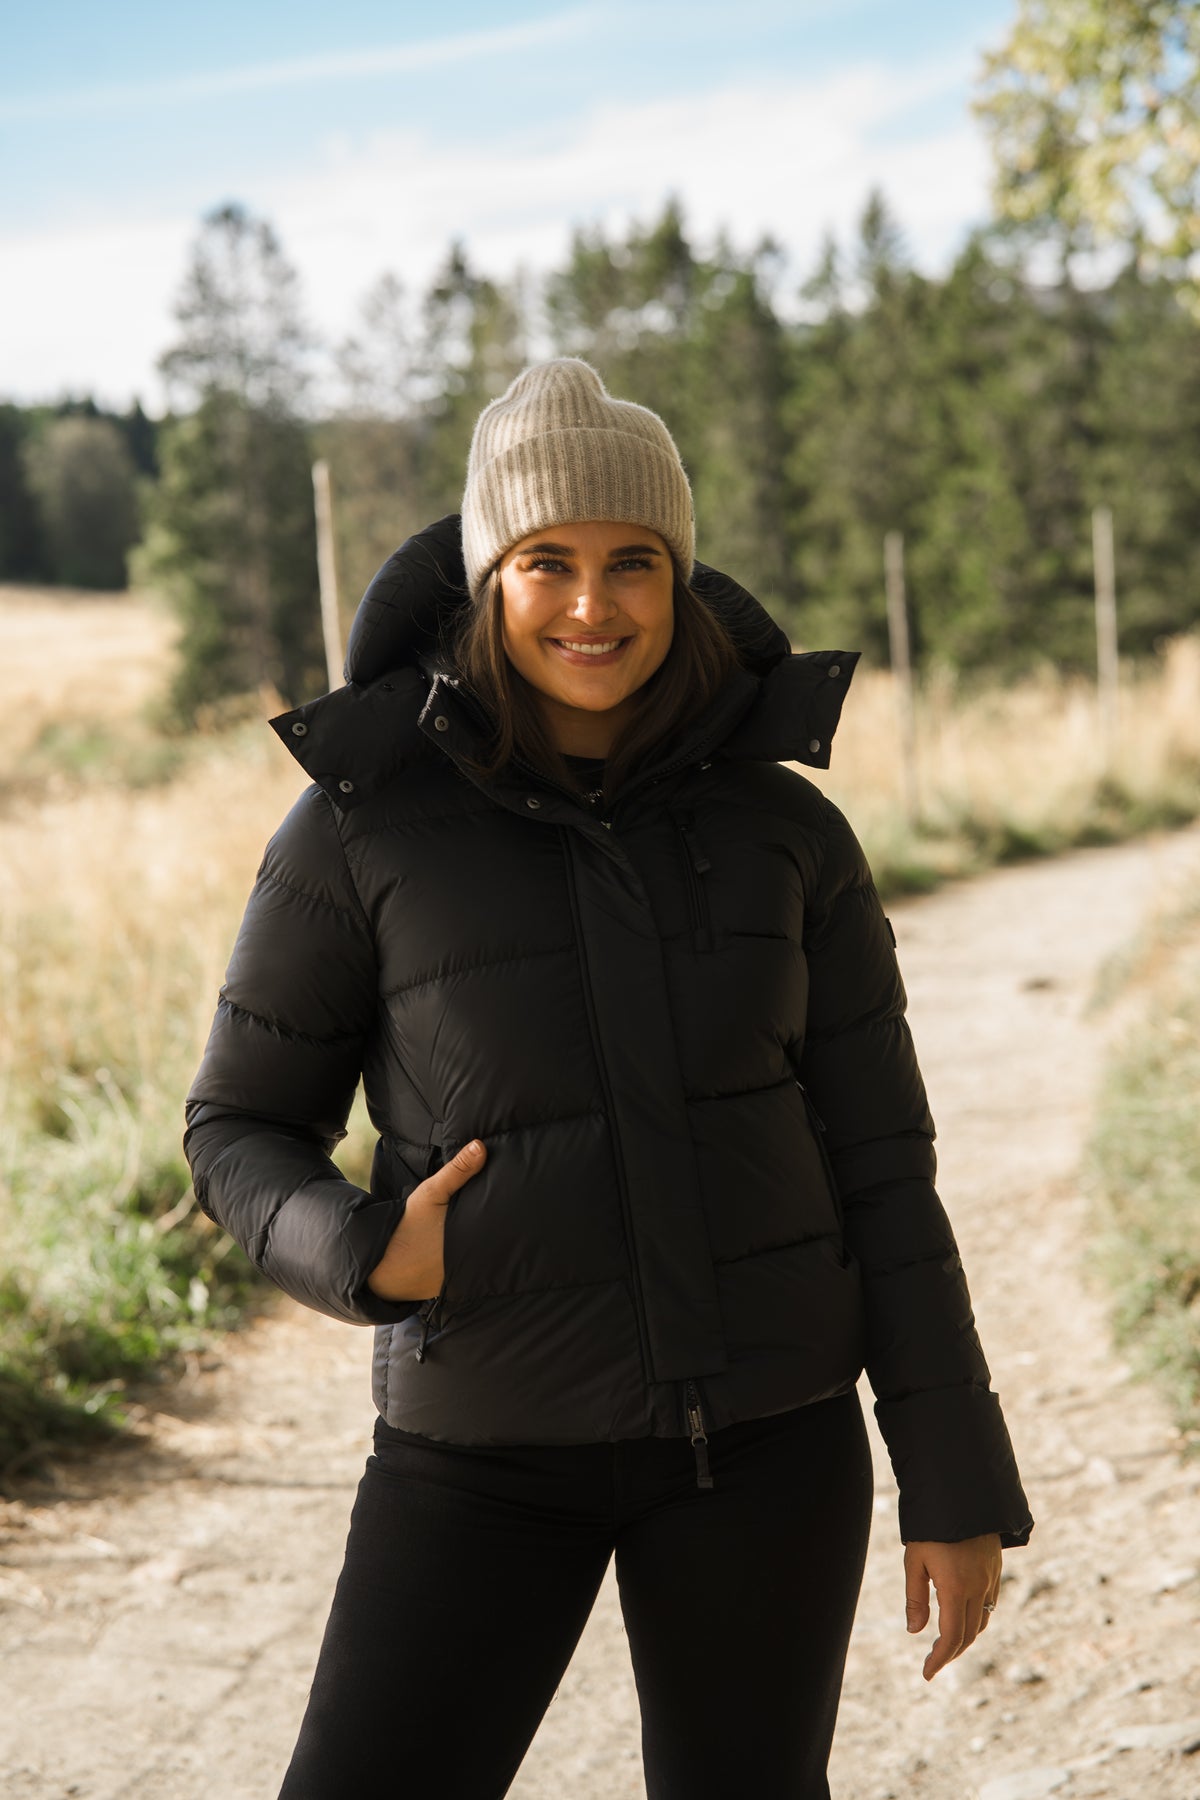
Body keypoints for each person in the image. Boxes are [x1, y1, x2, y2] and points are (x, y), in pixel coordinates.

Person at [184, 358, 1032, 1799]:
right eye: (548, 563)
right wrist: (363, 1250)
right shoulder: (359, 833)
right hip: (480, 1452)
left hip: (768, 1451)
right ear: (488, 579)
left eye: (633, 561)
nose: (594, 604)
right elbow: (237, 1125)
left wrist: (951, 1475)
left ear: (680, 579)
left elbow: (885, 1170)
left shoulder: (788, 837)